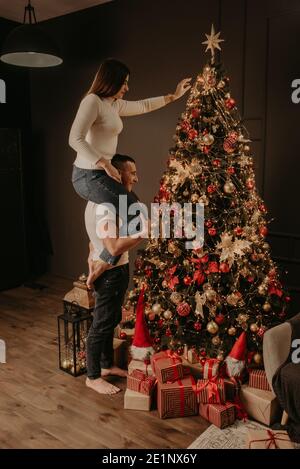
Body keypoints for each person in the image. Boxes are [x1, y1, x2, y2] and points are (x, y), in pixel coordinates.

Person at [69, 58, 191, 265]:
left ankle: (101, 261)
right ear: (111, 81)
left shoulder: (114, 105)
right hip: (87, 176)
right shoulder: (92, 101)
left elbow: (143, 105)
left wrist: (173, 96)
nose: (127, 87)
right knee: (137, 213)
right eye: (124, 82)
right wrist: (105, 163)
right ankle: (103, 262)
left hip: (101, 174)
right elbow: (74, 138)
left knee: (136, 210)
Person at [84, 154, 147, 395]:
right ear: (117, 174)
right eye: (132, 173)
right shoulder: (105, 206)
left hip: (114, 270)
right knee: (101, 324)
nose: (136, 178)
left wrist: (92, 258)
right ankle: (93, 376)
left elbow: (94, 242)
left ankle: (106, 365)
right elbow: (112, 247)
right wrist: (144, 232)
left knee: (110, 321)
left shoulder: (103, 199)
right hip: (111, 273)